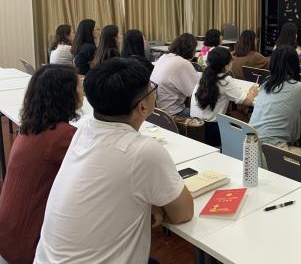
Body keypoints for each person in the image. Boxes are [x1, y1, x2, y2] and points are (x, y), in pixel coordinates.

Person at [34, 58, 194, 263]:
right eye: (152, 88)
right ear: (142, 107)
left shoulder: (84, 127)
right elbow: (183, 213)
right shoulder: (144, 151)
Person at [0, 65, 82, 264]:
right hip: (26, 245)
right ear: (66, 95)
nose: (82, 91)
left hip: (7, 233)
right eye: (79, 86)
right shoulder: (63, 136)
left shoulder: (30, 127)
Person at [249, 45, 301, 155]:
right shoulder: (300, 88)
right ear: (295, 65)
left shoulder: (265, 85)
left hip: (250, 149)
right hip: (272, 152)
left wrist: (298, 107)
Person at [191, 47, 258, 146]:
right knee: (246, 138)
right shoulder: (225, 80)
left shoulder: (204, 76)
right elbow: (248, 101)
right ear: (226, 65)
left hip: (194, 127)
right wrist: (253, 91)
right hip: (212, 130)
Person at [151, 33, 200, 116]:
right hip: (172, 113)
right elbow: (197, 92)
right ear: (191, 50)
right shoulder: (183, 63)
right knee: (207, 115)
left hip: (157, 111)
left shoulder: (164, 57)